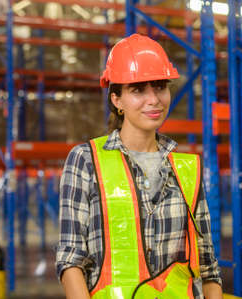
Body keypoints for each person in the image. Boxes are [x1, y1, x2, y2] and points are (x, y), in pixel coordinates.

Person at [56, 34, 223, 299]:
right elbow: (70, 260)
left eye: (159, 87)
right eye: (138, 90)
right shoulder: (86, 161)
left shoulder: (188, 170)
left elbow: (208, 268)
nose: (154, 99)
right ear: (117, 100)